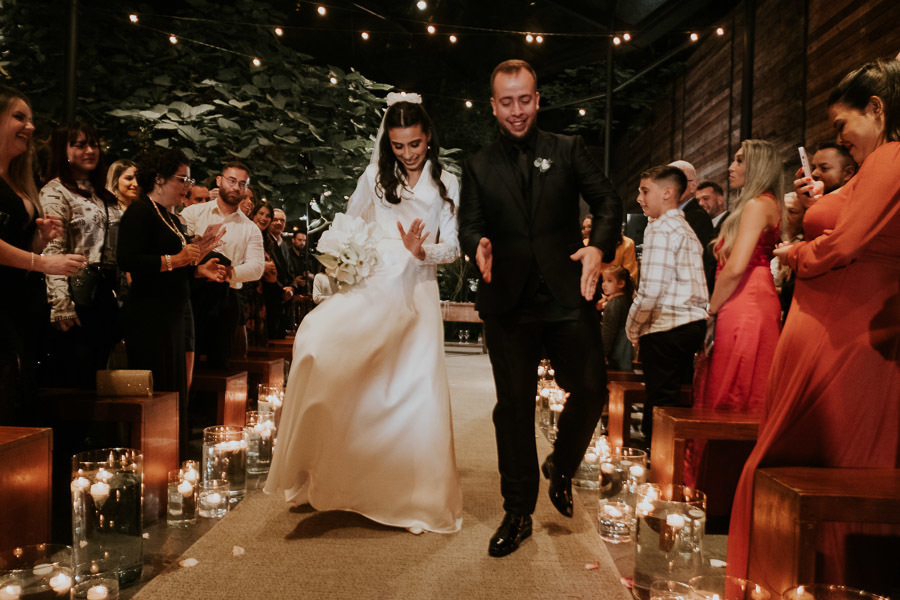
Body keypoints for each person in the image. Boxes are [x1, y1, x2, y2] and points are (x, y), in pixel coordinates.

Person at [728, 59, 900, 591]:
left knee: (818, 464)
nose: (839, 136)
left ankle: (806, 581)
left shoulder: (891, 156)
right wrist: (817, 208)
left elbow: (845, 244)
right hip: (833, 326)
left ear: (877, 108)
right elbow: (855, 230)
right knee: (808, 464)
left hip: (843, 334)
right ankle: (807, 580)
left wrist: (799, 253)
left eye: (842, 123)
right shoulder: (877, 163)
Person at [265, 95, 463, 535]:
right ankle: (333, 476)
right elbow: (348, 228)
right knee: (320, 347)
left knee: (412, 388)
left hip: (417, 287)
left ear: (428, 137)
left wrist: (421, 250)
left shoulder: (447, 181)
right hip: (373, 282)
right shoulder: (373, 177)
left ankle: (414, 498)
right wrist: (346, 262)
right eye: (398, 146)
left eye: (415, 144)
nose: (407, 154)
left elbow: (452, 246)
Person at [458, 59, 622, 557]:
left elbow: (608, 201)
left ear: (537, 99)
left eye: (524, 100)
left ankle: (561, 465)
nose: (517, 111)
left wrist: (599, 247)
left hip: (566, 293)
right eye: (507, 102)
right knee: (513, 408)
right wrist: (476, 244)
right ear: (493, 105)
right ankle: (518, 512)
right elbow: (470, 224)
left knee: (591, 388)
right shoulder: (478, 164)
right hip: (507, 301)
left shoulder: (568, 149)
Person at [684, 140, 783, 520]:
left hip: (745, 302)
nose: (731, 166)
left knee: (731, 391)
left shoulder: (757, 205)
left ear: (757, 165)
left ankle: (718, 492)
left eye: (740, 160)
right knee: (741, 390)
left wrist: (711, 309)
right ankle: (728, 492)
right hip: (755, 299)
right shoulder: (767, 204)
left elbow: (737, 266)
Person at [117, 147, 225, 459]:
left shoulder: (170, 217)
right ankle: (152, 459)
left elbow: (178, 267)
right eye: (182, 179)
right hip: (149, 316)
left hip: (172, 312)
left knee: (175, 388)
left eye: (189, 180)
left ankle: (172, 458)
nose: (187, 186)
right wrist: (174, 260)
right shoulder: (140, 212)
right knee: (159, 389)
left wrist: (198, 265)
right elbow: (128, 259)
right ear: (159, 179)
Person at [0, 85, 86, 424]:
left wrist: (38, 239)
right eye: (19, 117)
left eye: (31, 119)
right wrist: (44, 262)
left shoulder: (17, 178)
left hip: (21, 302)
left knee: (22, 394)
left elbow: (14, 248)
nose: (30, 127)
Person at [625, 165, 708, 443]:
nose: (639, 198)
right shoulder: (685, 228)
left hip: (666, 325)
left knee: (660, 401)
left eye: (645, 191)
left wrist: (632, 326)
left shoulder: (660, 228)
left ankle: (656, 458)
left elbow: (651, 290)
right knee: (676, 400)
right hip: (691, 324)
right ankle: (678, 456)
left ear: (668, 193)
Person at [40, 122, 123, 388]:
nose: (90, 150)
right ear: (62, 150)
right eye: (79, 145)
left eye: (94, 144)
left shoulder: (103, 195)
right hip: (76, 293)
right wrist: (60, 305)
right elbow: (51, 249)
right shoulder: (55, 191)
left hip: (104, 293)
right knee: (74, 378)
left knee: (99, 375)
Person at [180, 161, 264, 368]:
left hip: (227, 296)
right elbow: (178, 249)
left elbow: (256, 267)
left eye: (242, 184)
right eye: (232, 181)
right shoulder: (193, 213)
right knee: (187, 358)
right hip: (192, 293)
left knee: (219, 364)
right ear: (219, 181)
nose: (236, 187)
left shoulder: (250, 228)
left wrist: (227, 272)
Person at [599, 265, 634, 371]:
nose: (604, 284)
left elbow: (608, 332)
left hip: (617, 352)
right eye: (603, 280)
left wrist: (602, 353)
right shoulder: (625, 300)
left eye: (609, 281)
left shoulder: (615, 303)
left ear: (621, 283)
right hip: (625, 351)